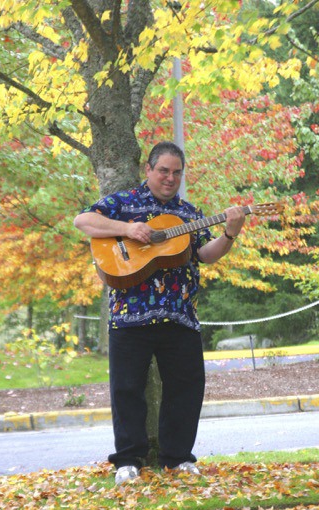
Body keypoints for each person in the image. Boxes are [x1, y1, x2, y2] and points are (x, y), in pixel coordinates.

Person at [74, 141, 245, 485]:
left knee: (187, 387)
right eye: (163, 170)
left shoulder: (190, 214)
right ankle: (127, 461)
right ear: (148, 170)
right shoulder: (123, 203)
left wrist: (230, 232)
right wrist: (127, 228)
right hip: (129, 316)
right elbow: (83, 220)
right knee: (127, 389)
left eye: (176, 172)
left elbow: (207, 255)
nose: (170, 178)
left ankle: (179, 458)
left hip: (179, 314)